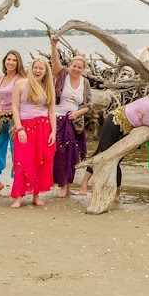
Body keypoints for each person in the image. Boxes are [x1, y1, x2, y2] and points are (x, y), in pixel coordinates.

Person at [78, 91, 149, 199]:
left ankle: (117, 192)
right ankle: (85, 182)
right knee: (102, 150)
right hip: (116, 119)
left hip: (127, 131)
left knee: (117, 159)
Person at [49, 36, 93, 199]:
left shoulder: (85, 83)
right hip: (58, 119)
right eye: (74, 66)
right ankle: (61, 185)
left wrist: (77, 114)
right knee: (60, 153)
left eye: (79, 67)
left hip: (75, 123)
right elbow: (54, 63)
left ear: (83, 69)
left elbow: (89, 105)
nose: (76, 69)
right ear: (70, 66)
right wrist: (54, 46)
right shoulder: (62, 76)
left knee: (72, 155)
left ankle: (68, 186)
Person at [10, 58, 56, 208]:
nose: (37, 71)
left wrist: (53, 132)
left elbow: (51, 111)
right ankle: (18, 196)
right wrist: (19, 128)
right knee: (22, 160)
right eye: (35, 68)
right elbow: (15, 108)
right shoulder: (20, 84)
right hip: (25, 125)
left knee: (40, 161)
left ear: (45, 72)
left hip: (43, 126)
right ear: (31, 69)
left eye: (40, 69)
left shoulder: (48, 86)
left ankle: (36, 195)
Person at [0, 50, 26, 198]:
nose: (11, 62)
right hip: (1, 120)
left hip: (15, 121)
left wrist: (18, 124)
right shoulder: (0, 79)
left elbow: (23, 103)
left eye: (14, 60)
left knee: (17, 155)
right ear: (4, 61)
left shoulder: (21, 79)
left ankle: (16, 186)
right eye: (8, 59)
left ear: (18, 63)